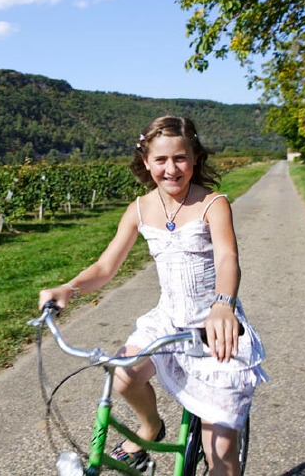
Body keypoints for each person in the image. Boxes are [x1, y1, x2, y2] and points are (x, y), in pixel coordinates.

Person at [38, 116, 267, 476]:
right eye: (161, 160)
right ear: (146, 162)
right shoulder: (139, 209)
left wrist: (224, 305)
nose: (171, 168)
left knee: (220, 452)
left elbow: (227, 258)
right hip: (168, 321)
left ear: (194, 159)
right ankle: (150, 429)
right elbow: (105, 266)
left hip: (213, 328)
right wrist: (69, 288)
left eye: (180, 158)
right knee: (122, 375)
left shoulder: (213, 203)